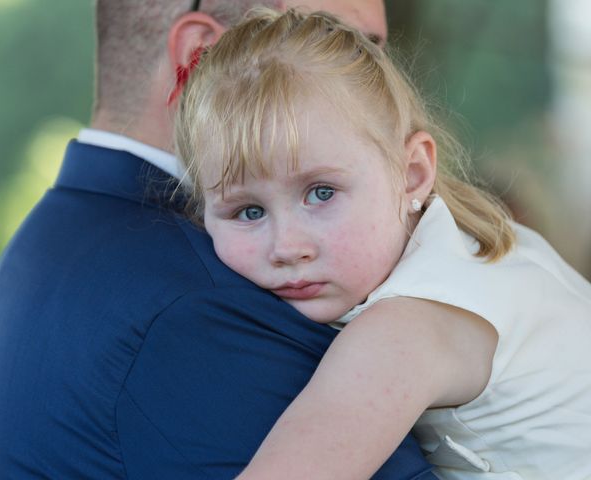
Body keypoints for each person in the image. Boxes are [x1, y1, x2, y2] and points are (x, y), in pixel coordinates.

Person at [0, 1, 436, 479]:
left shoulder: (50, 243)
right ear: (202, 53)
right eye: (338, 40)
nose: (378, 80)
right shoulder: (200, 305)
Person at [176, 8, 591, 479]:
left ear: (412, 172)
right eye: (248, 212)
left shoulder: (404, 330)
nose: (287, 246)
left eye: (321, 193)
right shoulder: (487, 242)